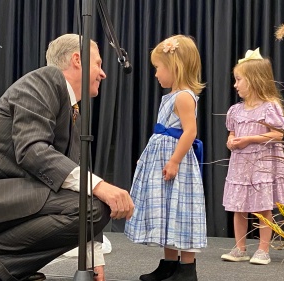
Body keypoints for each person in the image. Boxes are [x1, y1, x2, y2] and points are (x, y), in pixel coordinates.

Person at [0, 33, 134, 281]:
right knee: (94, 205)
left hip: (8, 199)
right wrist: (100, 186)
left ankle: (9, 267)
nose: (103, 73)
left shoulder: (69, 107)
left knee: (93, 204)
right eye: (98, 63)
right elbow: (32, 150)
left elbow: (75, 183)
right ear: (78, 59)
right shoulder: (44, 80)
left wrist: (92, 259)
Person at [124, 35, 207, 281]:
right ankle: (169, 264)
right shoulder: (171, 96)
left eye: (158, 68)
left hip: (176, 162)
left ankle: (187, 269)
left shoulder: (183, 96)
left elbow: (190, 132)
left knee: (182, 210)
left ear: (174, 67)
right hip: (163, 159)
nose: (156, 74)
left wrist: (174, 161)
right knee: (168, 211)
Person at [220, 48, 284, 265]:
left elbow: (277, 134)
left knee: (262, 207)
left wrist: (250, 139)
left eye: (239, 79)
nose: (235, 84)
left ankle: (263, 249)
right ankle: (240, 247)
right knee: (239, 207)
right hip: (241, 164)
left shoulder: (270, 107)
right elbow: (232, 132)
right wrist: (231, 140)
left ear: (253, 81)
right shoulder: (236, 110)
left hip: (261, 164)